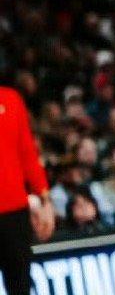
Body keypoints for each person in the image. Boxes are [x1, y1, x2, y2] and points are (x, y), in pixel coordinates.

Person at [0, 84, 53, 295]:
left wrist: (45, 200)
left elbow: (27, 152)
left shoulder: (11, 99)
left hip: (15, 213)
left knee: (20, 286)